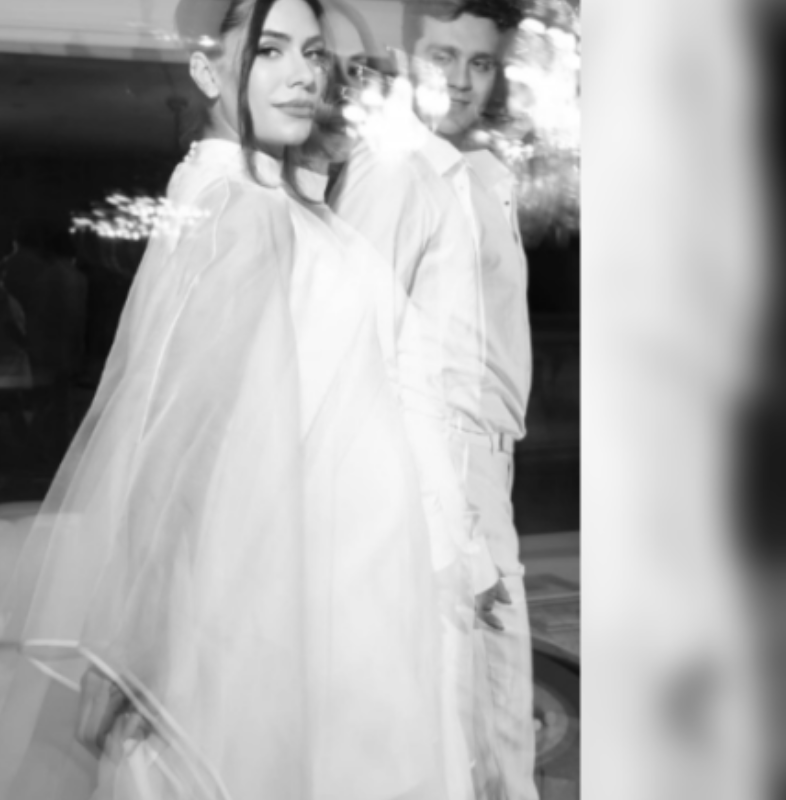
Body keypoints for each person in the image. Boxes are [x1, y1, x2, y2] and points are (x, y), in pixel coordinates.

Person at [0, 0, 471, 798]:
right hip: (290, 590)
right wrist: (136, 643)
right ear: (208, 71)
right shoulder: (239, 209)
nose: (302, 75)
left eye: (312, 53)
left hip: (339, 580)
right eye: (270, 51)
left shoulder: (261, 195)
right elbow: (186, 435)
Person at [328, 1, 537, 798]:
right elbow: (355, 353)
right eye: (443, 55)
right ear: (408, 56)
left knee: (491, 723)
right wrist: (448, 523)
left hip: (482, 469)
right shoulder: (397, 172)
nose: (461, 79)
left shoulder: (471, 172)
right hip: (442, 475)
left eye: (479, 62)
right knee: (471, 725)